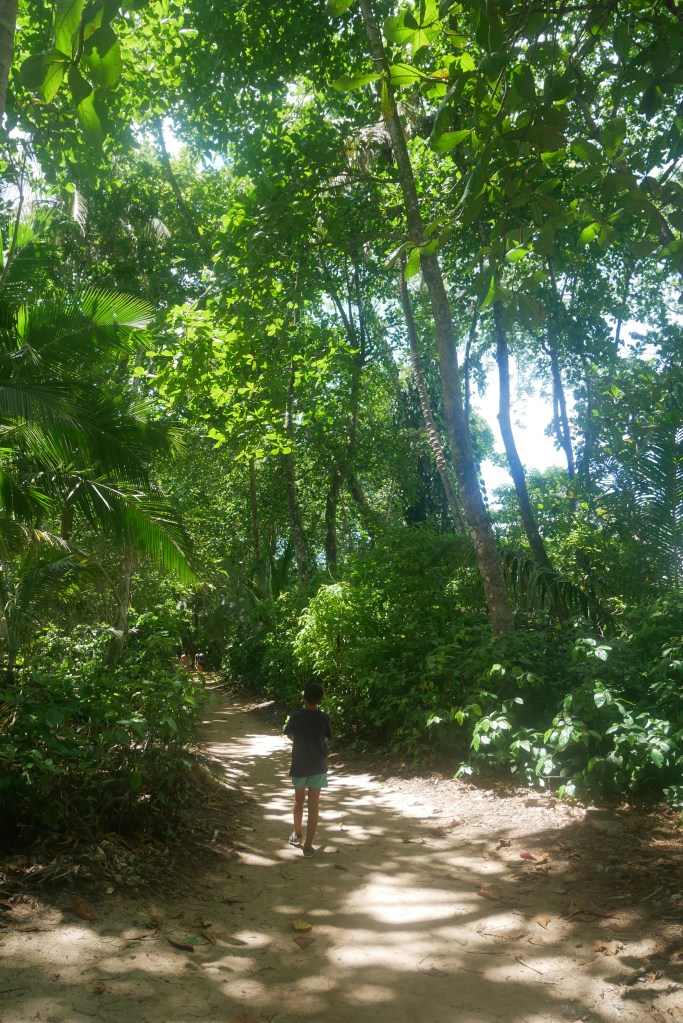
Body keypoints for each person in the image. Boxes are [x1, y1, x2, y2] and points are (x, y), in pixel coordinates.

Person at [283, 681, 332, 857]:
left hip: (299, 764)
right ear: (320, 699)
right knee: (313, 806)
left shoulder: (296, 716)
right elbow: (326, 737)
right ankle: (308, 846)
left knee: (298, 801)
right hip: (318, 765)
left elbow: (290, 735)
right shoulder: (324, 717)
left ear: (303, 698)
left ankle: (297, 835)